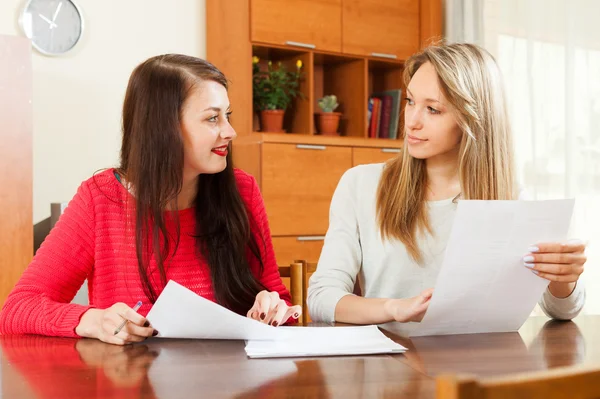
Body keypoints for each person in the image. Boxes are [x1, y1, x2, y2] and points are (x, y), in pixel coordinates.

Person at [0, 54, 301, 345]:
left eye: (227, 115)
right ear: (164, 128)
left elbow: (278, 299)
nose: (230, 131)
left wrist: (272, 307)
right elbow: (15, 311)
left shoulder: (242, 190)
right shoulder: (100, 199)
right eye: (212, 118)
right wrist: (92, 320)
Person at [307, 43, 586, 325]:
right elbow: (321, 298)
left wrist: (563, 277)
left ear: (473, 120)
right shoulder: (361, 185)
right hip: (392, 363)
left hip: (482, 363)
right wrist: (393, 308)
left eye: (433, 109)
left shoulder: (510, 196)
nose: (412, 122)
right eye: (410, 102)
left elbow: (563, 312)